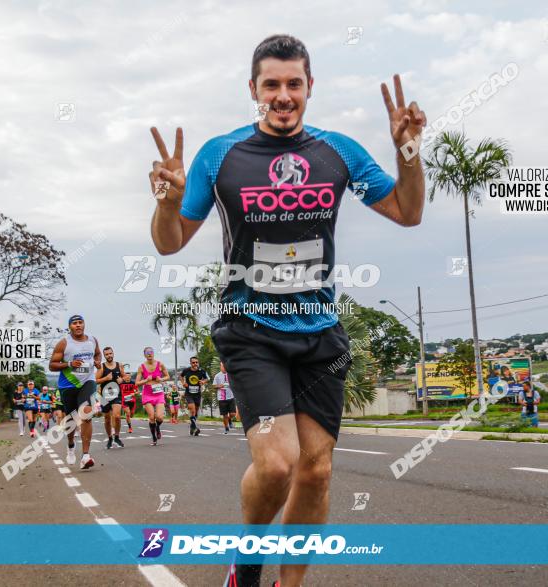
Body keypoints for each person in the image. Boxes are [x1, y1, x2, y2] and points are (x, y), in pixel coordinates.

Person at [147, 34, 425, 587]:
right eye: (271, 84)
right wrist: (167, 202)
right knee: (278, 463)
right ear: (253, 89)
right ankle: (245, 568)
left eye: (293, 83)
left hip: (320, 334)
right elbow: (169, 242)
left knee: (316, 471)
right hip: (250, 332)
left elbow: (407, 211)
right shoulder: (220, 155)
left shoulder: (338, 152)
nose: (282, 95)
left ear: (309, 87)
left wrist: (407, 151)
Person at [48, 315, 102, 469]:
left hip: (88, 381)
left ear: (84, 324)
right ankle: (71, 445)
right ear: (70, 326)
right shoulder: (64, 343)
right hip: (68, 385)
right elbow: (52, 365)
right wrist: (70, 364)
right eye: (74, 323)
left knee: (86, 414)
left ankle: (86, 456)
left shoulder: (92, 340)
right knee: (71, 421)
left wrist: (98, 361)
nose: (78, 325)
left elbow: (97, 353)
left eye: (80, 322)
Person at [135, 346, 169, 446]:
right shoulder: (141, 367)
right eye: (147, 352)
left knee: (159, 417)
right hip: (147, 393)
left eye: (151, 352)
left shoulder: (160, 364)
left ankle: (158, 427)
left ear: (153, 353)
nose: (149, 354)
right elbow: (137, 383)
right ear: (144, 355)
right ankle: (154, 437)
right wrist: (145, 380)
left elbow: (167, 376)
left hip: (158, 393)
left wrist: (161, 379)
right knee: (151, 416)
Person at [96, 346, 125, 449]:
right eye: (107, 354)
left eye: (110, 353)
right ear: (104, 356)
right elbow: (96, 380)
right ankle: (110, 438)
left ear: (113, 353)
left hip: (116, 394)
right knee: (107, 419)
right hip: (104, 396)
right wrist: (106, 378)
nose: (109, 355)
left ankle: (116, 436)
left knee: (117, 416)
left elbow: (124, 376)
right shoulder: (102, 367)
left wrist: (122, 379)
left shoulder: (119, 365)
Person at [180, 356, 209, 436]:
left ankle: (192, 427)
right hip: (189, 393)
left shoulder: (201, 371)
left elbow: (207, 379)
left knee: (195, 411)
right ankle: (195, 428)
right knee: (192, 409)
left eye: (196, 362)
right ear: (190, 363)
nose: (195, 364)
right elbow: (181, 376)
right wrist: (183, 383)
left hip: (197, 394)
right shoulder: (186, 370)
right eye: (193, 362)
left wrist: (203, 382)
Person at [214, 361, 237, 434]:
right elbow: (214, 386)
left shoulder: (231, 375)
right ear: (220, 367)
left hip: (231, 396)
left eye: (224, 366)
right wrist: (219, 386)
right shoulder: (217, 376)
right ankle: (226, 427)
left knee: (233, 413)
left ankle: (229, 419)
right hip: (222, 398)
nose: (223, 367)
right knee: (224, 415)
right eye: (222, 366)